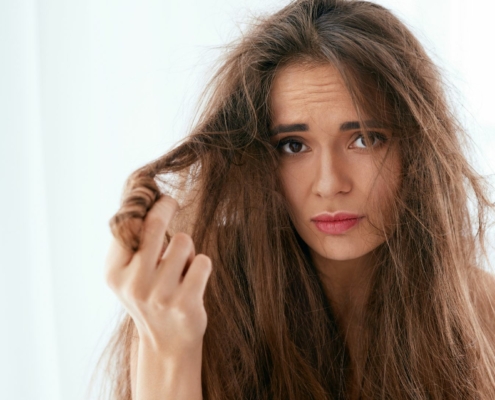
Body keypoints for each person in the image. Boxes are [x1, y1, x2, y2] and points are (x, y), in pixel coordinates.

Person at [91, 0, 495, 398]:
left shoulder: (481, 313)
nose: (329, 184)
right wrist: (169, 347)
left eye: (364, 140)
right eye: (293, 146)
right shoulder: (190, 303)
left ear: (419, 151)